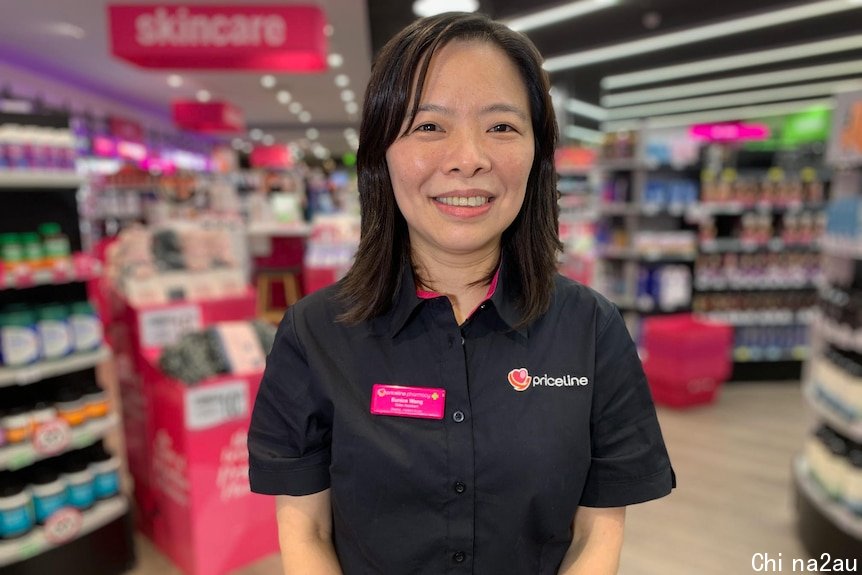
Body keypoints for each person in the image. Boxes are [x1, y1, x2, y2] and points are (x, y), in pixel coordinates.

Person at [248, 11, 674, 575]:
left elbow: (598, 529)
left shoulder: (591, 329)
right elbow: (306, 527)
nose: (469, 157)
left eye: (501, 126)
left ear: (536, 155)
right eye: (429, 126)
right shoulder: (313, 333)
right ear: (381, 153)